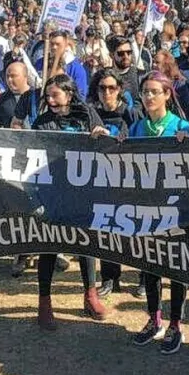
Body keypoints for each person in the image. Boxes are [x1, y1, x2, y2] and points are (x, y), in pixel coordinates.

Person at [31, 74, 108, 329]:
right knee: (49, 247)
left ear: (69, 94)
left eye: (56, 95)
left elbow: (102, 140)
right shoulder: (42, 122)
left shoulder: (85, 114)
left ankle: (90, 294)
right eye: (48, 96)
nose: (51, 100)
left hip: (83, 193)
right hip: (54, 195)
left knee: (86, 245)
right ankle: (44, 301)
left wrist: (100, 133)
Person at [128, 71, 189, 355]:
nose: (149, 96)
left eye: (155, 91)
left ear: (167, 94)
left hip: (176, 209)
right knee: (150, 266)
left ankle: (176, 324)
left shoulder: (181, 126)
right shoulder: (137, 128)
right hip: (146, 208)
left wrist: (187, 144)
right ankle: (154, 318)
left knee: (176, 268)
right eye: (145, 92)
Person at [85, 68, 135, 297]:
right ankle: (108, 278)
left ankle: (143, 279)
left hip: (130, 179)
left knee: (134, 231)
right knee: (105, 231)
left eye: (112, 88)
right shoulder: (91, 114)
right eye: (102, 88)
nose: (107, 92)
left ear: (120, 90)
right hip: (101, 180)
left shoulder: (131, 114)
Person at [0, 61, 36, 129]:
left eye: (13, 76)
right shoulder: (2, 99)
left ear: (25, 76)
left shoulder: (36, 97)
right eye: (7, 76)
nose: (9, 80)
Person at [108, 35, 144, 105]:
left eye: (129, 52)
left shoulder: (140, 76)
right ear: (111, 55)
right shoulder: (105, 77)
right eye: (121, 53)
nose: (126, 56)